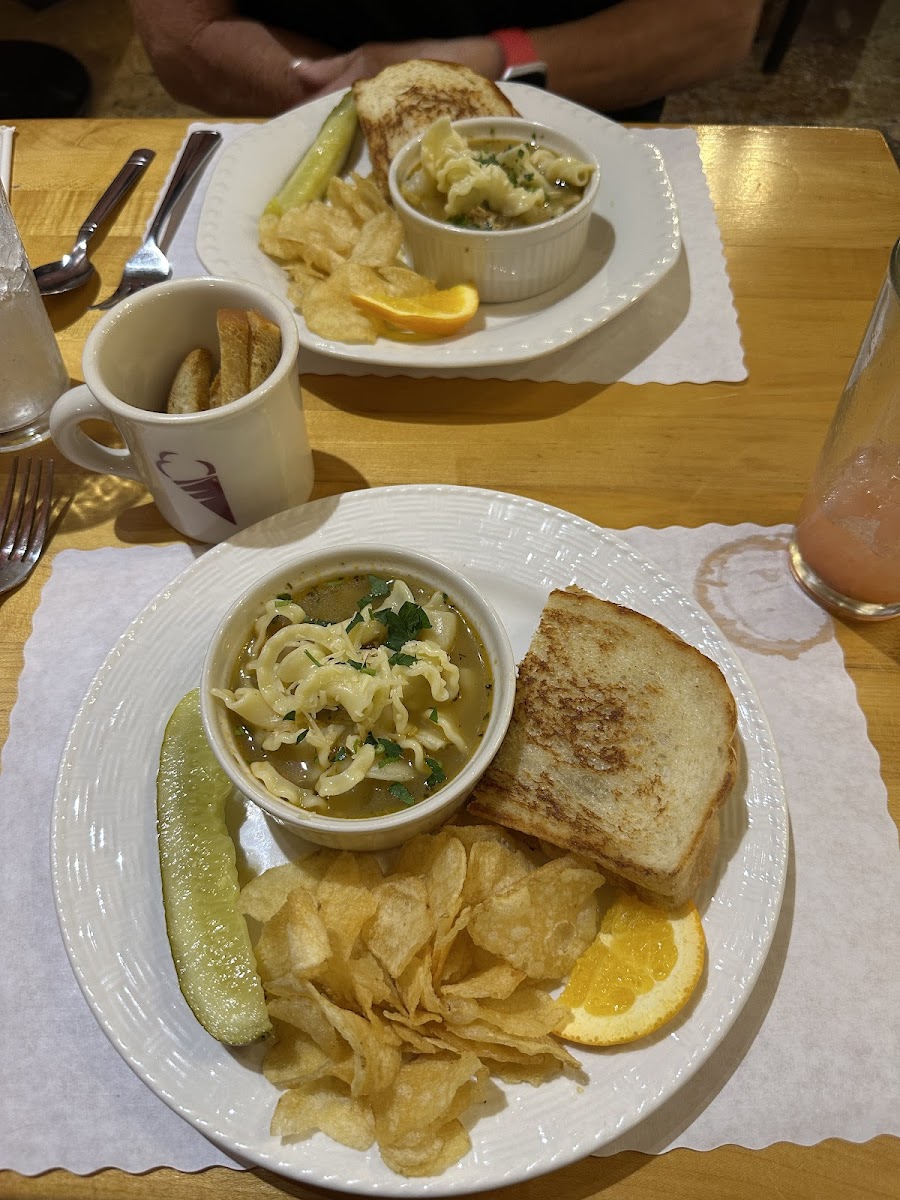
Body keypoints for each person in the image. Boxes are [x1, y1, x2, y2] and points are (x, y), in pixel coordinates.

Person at [129, 0, 763, 122]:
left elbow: (717, 22)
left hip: (590, 129)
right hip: (301, 132)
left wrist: (496, 65)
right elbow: (181, 38)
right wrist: (344, 92)